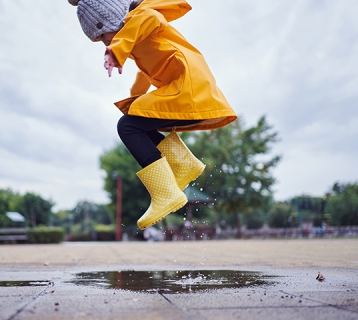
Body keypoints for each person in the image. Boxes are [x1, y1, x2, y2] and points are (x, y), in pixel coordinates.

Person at [68, 0, 237, 230]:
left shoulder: (143, 16)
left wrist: (118, 48)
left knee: (127, 127)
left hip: (188, 89)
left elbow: (148, 19)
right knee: (135, 123)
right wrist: (135, 100)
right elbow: (146, 73)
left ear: (110, 19)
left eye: (101, 36)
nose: (104, 42)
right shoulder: (139, 38)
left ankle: (166, 193)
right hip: (189, 90)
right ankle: (183, 164)